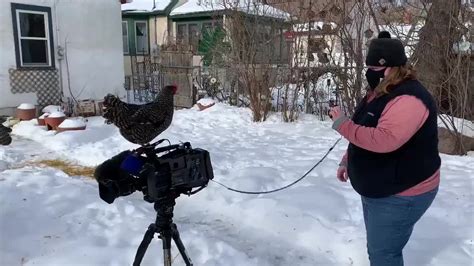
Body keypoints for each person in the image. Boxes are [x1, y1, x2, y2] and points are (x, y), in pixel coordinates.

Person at [329, 31, 441, 266]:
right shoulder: (382, 91)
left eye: (375, 68)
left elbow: (385, 140)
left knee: (383, 254)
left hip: (402, 193)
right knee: (377, 249)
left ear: (391, 67)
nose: (370, 73)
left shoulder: (409, 99)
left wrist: (342, 124)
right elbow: (365, 127)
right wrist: (348, 159)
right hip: (379, 187)